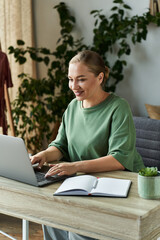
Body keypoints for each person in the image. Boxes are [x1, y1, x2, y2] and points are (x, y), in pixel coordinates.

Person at [31, 50, 144, 240]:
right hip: (81, 184)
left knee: (80, 230)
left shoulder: (118, 107)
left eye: (81, 79)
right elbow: (60, 146)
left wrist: (75, 166)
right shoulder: (73, 107)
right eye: (70, 79)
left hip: (119, 186)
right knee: (51, 218)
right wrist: (44, 154)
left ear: (100, 77)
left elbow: (119, 158)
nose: (73, 86)